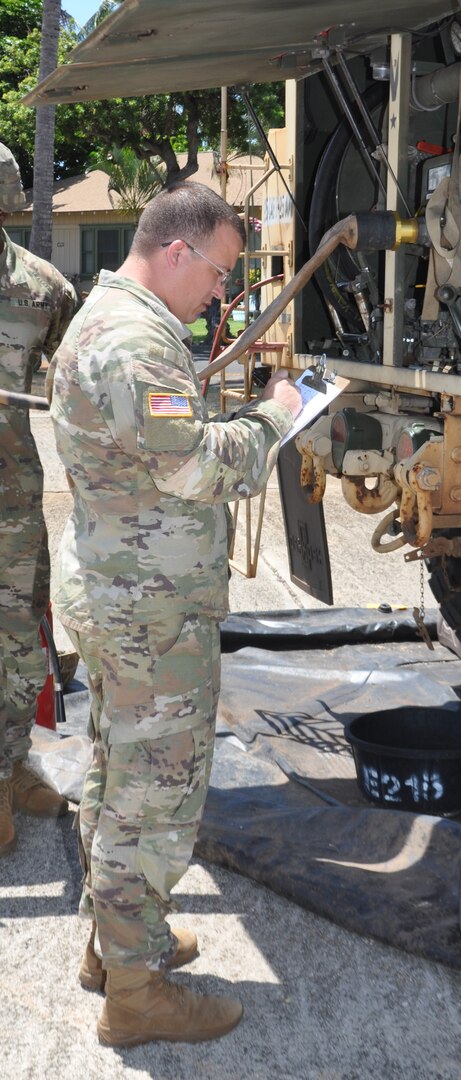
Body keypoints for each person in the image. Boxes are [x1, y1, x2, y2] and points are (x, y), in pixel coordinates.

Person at [47, 181, 302, 1047]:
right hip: (149, 612)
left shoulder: (109, 319)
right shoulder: (136, 338)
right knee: (151, 801)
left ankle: (115, 945)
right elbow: (189, 468)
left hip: (122, 596)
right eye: (222, 274)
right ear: (178, 251)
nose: (222, 295)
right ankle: (137, 994)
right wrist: (276, 417)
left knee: (117, 779)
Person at [0, 142, 77, 855]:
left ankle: (13, 762)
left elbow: (72, 378)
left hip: (13, 500)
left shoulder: (43, 288)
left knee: (21, 635)